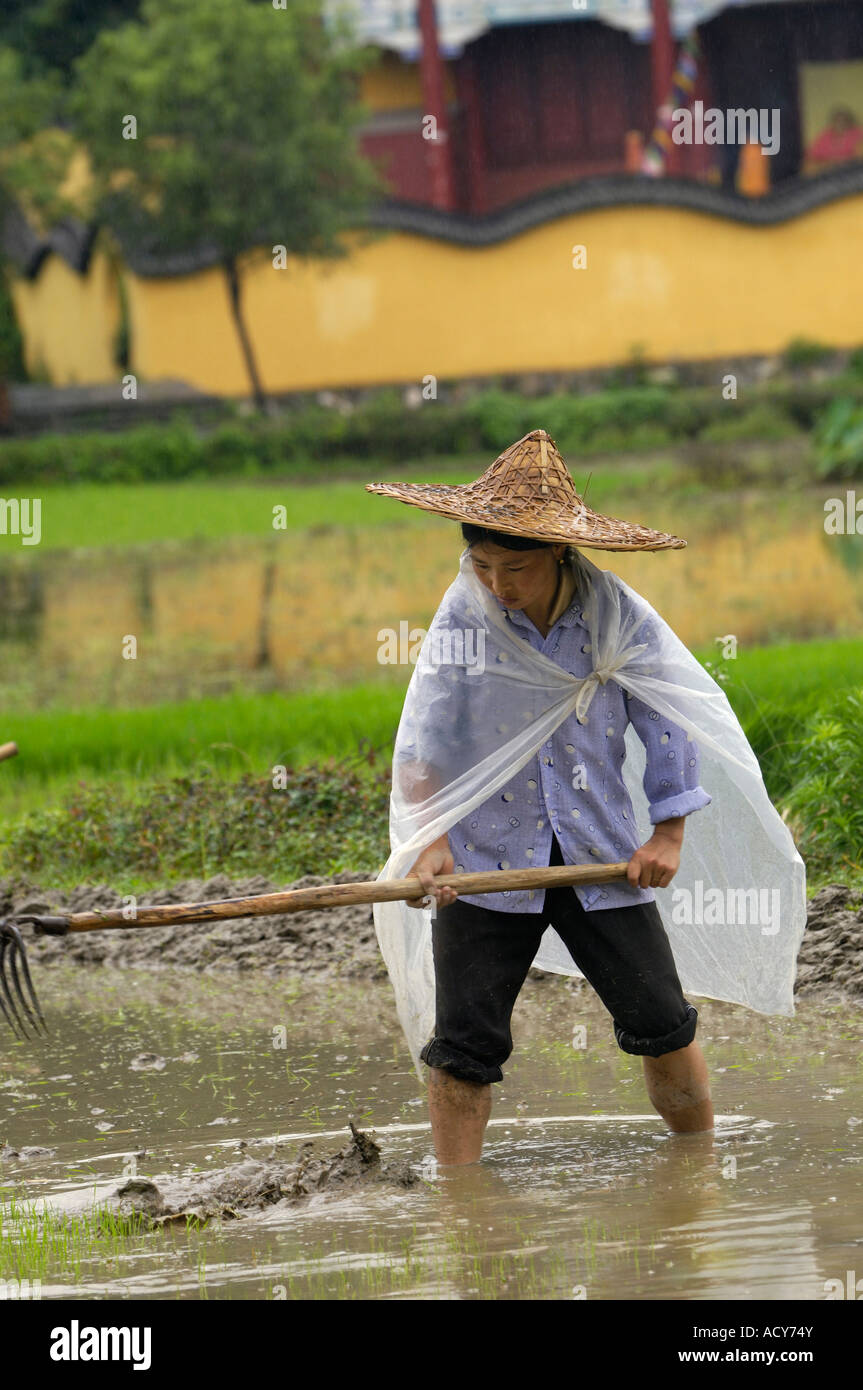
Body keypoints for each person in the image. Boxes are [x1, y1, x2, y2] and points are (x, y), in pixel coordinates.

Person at [366, 428, 806, 1168]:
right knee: (464, 1046)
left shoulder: (616, 617)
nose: (498, 585)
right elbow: (423, 738)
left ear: (559, 555)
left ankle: (694, 1174)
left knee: (662, 1022)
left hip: (600, 856)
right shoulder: (462, 623)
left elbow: (667, 716)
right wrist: (430, 837)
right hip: (482, 861)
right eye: (481, 566)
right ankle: (458, 1202)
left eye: (516, 568)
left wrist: (666, 834)